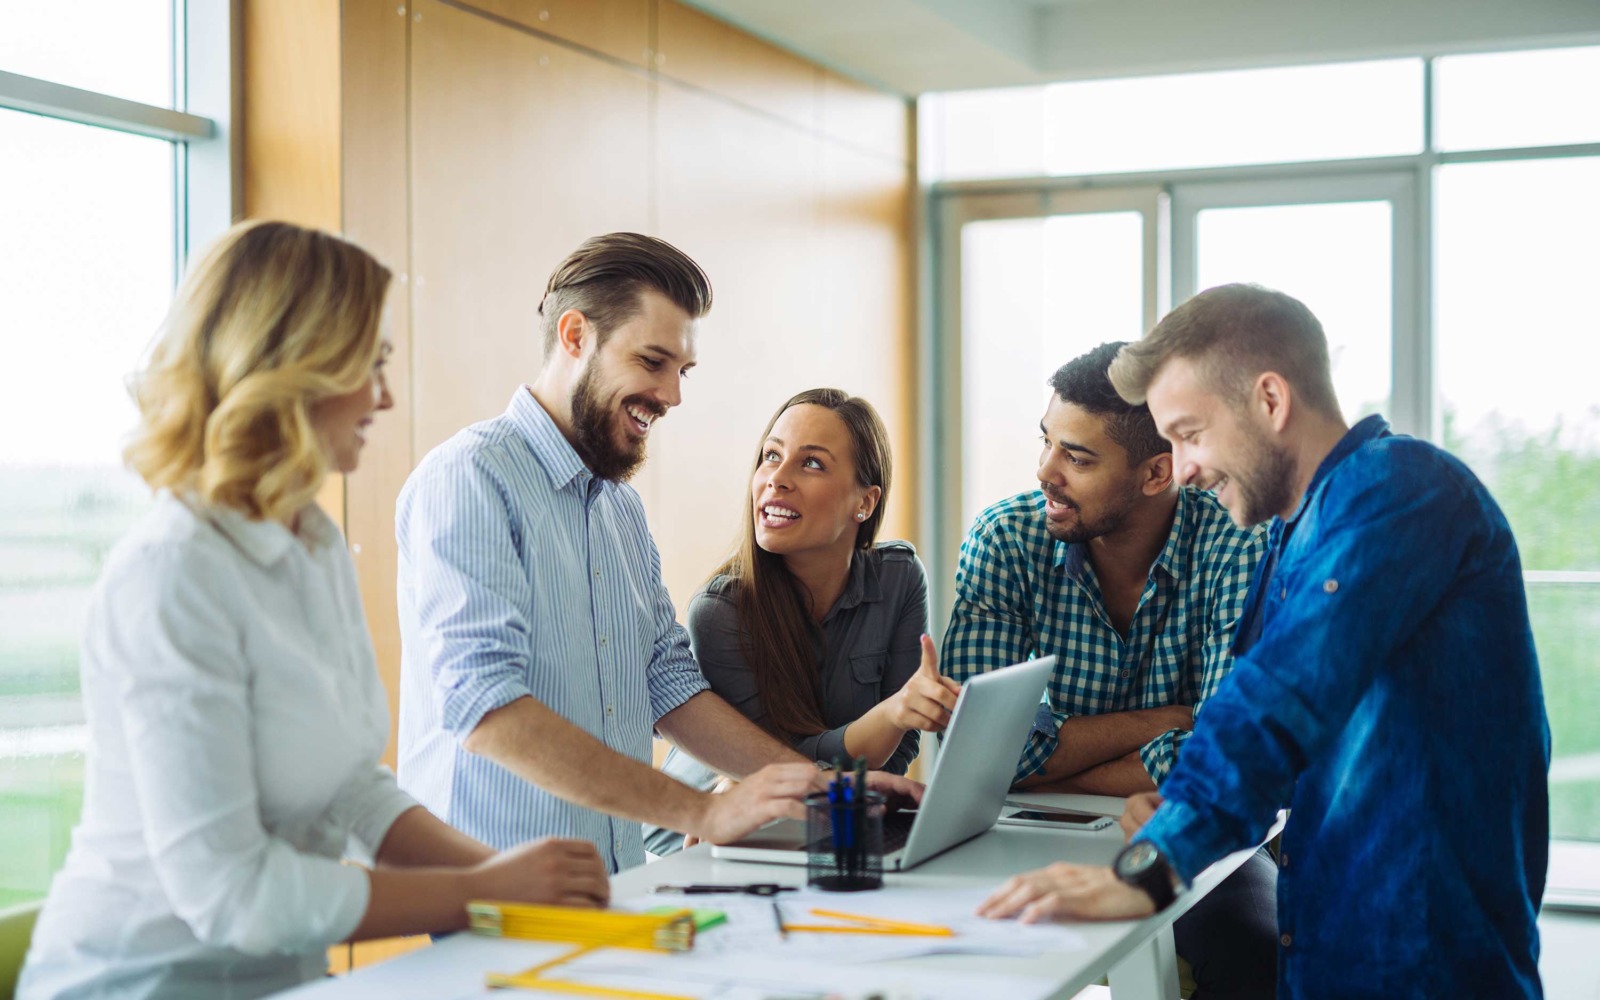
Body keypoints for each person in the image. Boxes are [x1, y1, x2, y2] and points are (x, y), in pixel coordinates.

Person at [18, 221, 609, 1000]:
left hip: (285, 980)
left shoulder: (312, 539)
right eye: (371, 364)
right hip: (139, 984)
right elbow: (237, 894)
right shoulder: (171, 576)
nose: (385, 395)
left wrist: (509, 875)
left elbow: (350, 788)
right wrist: (488, 890)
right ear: (294, 369)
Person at [978, 284, 1550, 1000]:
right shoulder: (1290, 533)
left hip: (1422, 964)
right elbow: (1251, 732)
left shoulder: (1399, 488)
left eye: (1189, 433)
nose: (1181, 470)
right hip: (1331, 951)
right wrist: (1186, 802)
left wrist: (1158, 861)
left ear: (1270, 401)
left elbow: (1275, 700)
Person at [396, 234, 919, 873]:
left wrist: (824, 788)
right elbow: (486, 709)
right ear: (574, 336)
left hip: (612, 877)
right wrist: (701, 812)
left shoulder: (619, 508)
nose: (672, 395)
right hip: (489, 890)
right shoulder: (471, 477)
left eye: (682, 371)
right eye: (652, 362)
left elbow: (669, 686)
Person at [945, 342, 1277, 999]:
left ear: (1158, 474)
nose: (1046, 472)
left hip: (1183, 831)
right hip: (1014, 832)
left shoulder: (1235, 544)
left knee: (1261, 950)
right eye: (1047, 443)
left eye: (1078, 456)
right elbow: (982, 756)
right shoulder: (1005, 541)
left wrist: (1052, 756)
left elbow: (1225, 758)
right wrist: (1167, 723)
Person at [645, 389, 958, 855]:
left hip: (831, 824)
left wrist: (896, 725)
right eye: (771, 456)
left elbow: (901, 748)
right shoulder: (720, 612)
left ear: (865, 503)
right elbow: (773, 771)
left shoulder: (900, 578)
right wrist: (890, 714)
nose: (777, 479)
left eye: (811, 463)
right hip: (701, 842)